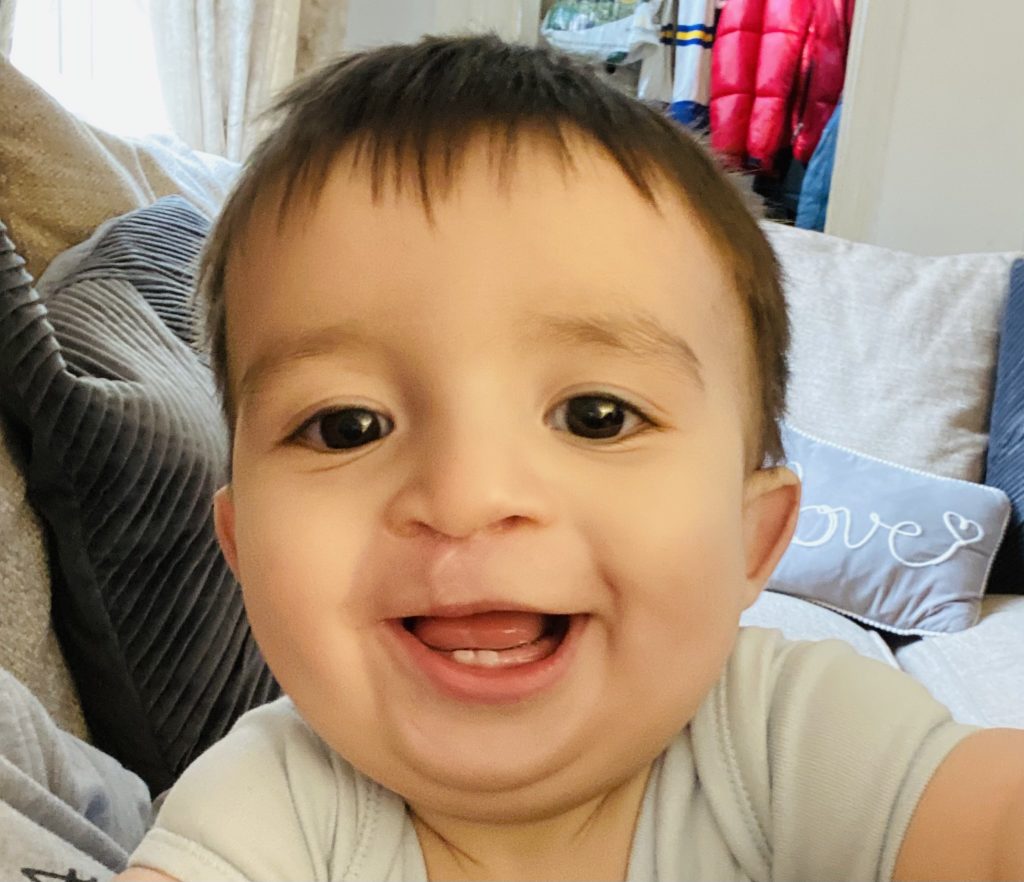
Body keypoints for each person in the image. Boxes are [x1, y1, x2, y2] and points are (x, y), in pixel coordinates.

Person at [117, 35, 1024, 882]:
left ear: (754, 541)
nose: (467, 496)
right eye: (349, 425)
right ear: (241, 552)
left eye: (596, 416)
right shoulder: (263, 806)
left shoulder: (790, 733)